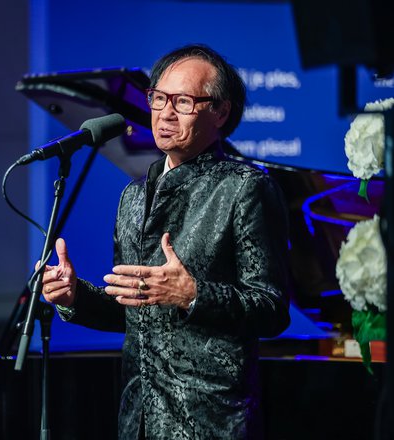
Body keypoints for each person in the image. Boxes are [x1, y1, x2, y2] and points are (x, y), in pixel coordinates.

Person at [40, 44, 290, 439]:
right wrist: (74, 297)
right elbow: (133, 312)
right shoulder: (133, 196)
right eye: (158, 98)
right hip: (139, 418)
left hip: (210, 422)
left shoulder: (245, 189)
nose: (165, 113)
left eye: (184, 102)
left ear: (221, 112)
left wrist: (192, 294)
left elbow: (272, 309)